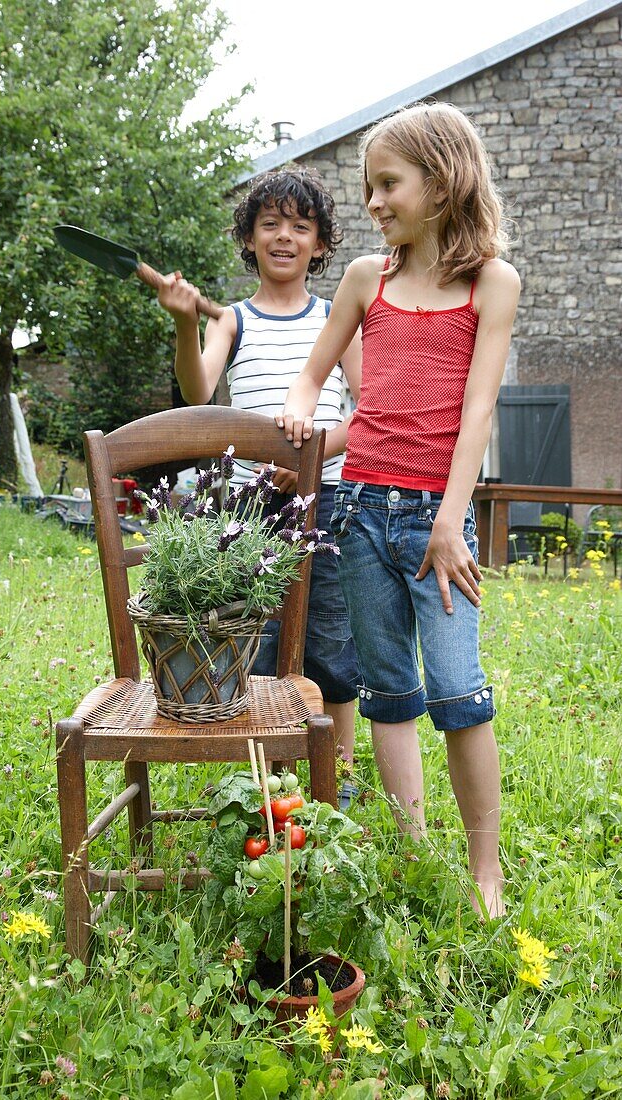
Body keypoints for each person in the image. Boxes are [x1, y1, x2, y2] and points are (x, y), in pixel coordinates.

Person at [277, 102, 521, 918]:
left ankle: (484, 872)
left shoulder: (491, 283)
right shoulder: (364, 280)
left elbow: (478, 408)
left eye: (388, 184)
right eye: (369, 187)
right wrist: (297, 410)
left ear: (442, 181)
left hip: (433, 521)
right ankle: (413, 851)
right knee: (387, 691)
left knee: (458, 691)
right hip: (359, 510)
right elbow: (314, 377)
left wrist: (452, 521)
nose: (374, 203)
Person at [156, 167, 362, 803]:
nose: (284, 237)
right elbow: (197, 390)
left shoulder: (338, 318)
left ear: (321, 245)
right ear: (248, 238)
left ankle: (340, 770)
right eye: (270, 224)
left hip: (328, 501)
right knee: (256, 639)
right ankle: (263, 774)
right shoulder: (233, 322)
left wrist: (306, 458)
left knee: (331, 640)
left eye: (300, 227)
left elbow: (367, 411)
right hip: (251, 514)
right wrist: (187, 323)